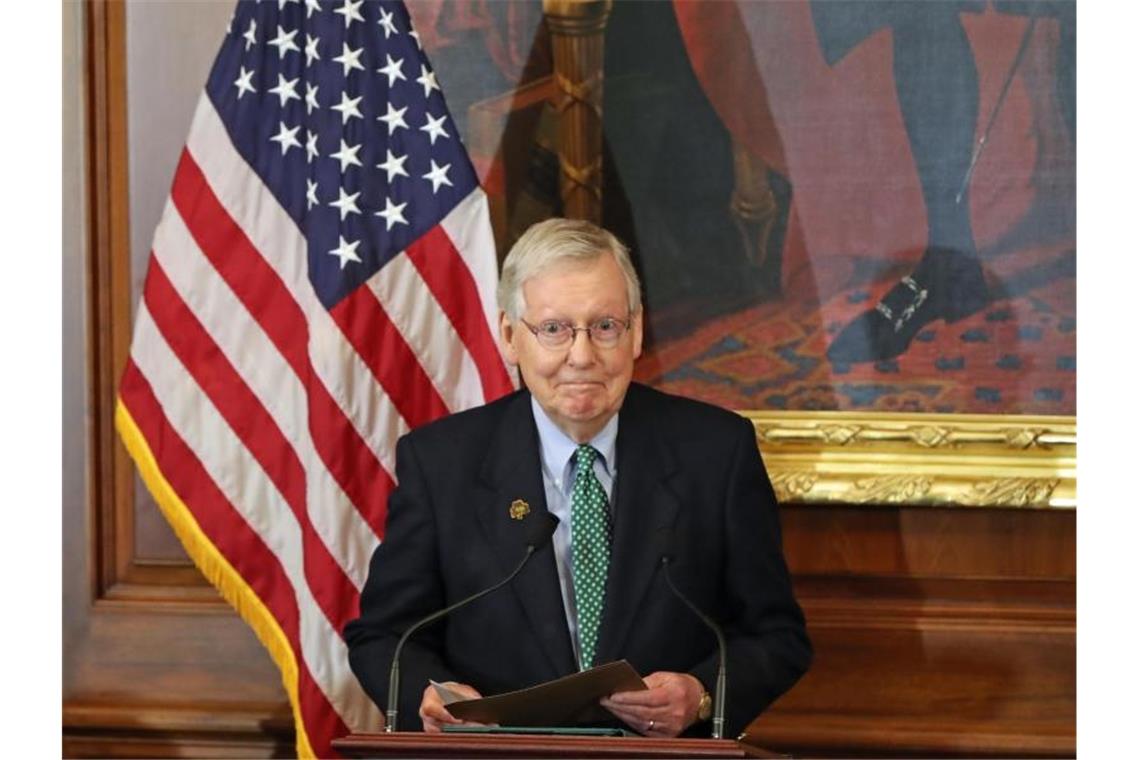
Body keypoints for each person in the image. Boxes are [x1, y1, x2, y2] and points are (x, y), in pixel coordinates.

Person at [345, 218, 811, 738]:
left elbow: (776, 635)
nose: (582, 356)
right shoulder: (442, 463)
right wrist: (426, 696)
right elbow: (385, 636)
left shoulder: (716, 453)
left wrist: (702, 695)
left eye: (605, 326)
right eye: (554, 329)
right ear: (509, 337)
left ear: (635, 332)